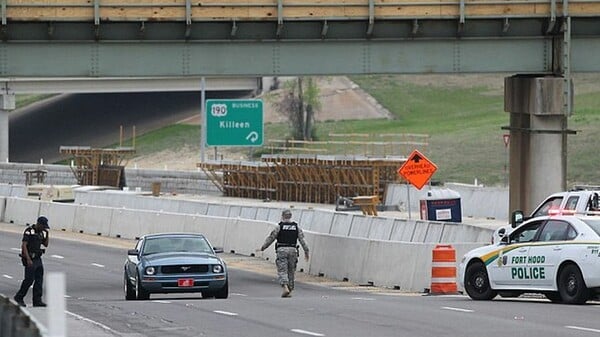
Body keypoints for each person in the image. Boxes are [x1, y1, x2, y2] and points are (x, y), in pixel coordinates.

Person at [257, 209, 309, 298]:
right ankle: (290, 288)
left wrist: (263, 248)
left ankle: (285, 287)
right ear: (290, 216)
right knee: (291, 270)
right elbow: (302, 240)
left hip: (281, 250)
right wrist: (306, 251)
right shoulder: (296, 227)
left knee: (282, 270)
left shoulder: (279, 227)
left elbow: (271, 238)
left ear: (282, 216)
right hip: (293, 250)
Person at [14, 216, 50, 307]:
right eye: (43, 226)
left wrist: (47, 234)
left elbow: (46, 244)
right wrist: (28, 259)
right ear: (38, 224)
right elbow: (24, 245)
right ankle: (19, 297)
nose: (44, 228)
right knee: (29, 280)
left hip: (38, 259)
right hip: (30, 258)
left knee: (39, 280)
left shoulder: (41, 233)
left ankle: (37, 300)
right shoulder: (29, 231)